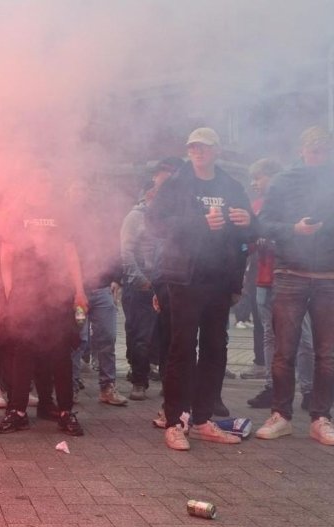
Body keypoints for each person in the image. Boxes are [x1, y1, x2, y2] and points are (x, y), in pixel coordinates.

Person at [147, 128, 255, 451]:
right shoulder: (176, 184)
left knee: (215, 348)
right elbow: (155, 224)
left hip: (218, 280)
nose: (199, 152)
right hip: (183, 278)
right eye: (194, 147)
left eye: (205, 147)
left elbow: (251, 234)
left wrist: (247, 220)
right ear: (188, 151)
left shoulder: (231, 186)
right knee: (182, 347)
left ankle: (204, 418)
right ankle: (175, 421)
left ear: (217, 151)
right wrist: (199, 222)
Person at [0, 168, 87, 437]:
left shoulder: (61, 213)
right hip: (26, 294)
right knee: (21, 354)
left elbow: (70, 252)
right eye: (37, 181)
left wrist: (79, 290)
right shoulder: (17, 213)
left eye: (46, 181)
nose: (42, 186)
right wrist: (10, 291)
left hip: (57, 293)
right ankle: (17, 412)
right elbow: (6, 254)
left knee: (61, 355)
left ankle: (66, 412)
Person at [255, 126, 334, 443]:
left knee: (328, 354)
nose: (319, 156)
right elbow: (264, 223)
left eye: (324, 150)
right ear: (302, 150)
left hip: (329, 277)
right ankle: (280, 415)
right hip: (289, 274)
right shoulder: (284, 181)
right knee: (284, 351)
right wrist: (293, 229)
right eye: (314, 151)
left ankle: (322, 417)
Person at [122, 157, 182, 401]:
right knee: (142, 336)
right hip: (143, 285)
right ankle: (139, 381)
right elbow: (126, 252)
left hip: (166, 282)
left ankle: (169, 383)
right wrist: (141, 280)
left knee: (167, 336)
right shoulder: (135, 217)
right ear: (148, 194)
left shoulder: (172, 218)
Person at [68, 178, 128, 406]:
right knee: (78, 339)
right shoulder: (64, 221)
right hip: (78, 294)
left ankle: (108, 387)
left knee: (108, 337)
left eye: (84, 189)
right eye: (76, 189)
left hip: (102, 289)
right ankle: (70, 387)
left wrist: (116, 278)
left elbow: (114, 249)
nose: (81, 194)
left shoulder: (100, 221)